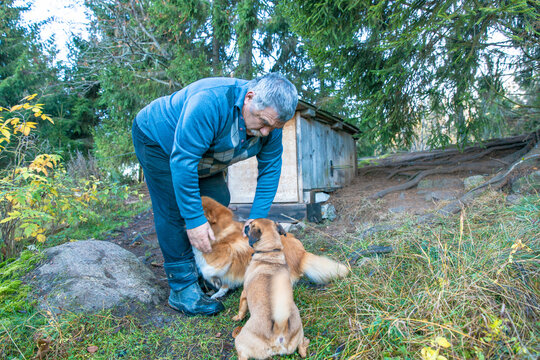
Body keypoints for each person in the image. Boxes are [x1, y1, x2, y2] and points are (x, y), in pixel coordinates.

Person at [131, 73, 298, 316]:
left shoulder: (270, 123)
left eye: (273, 127)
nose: (264, 132)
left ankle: (202, 271)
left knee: (218, 200)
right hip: (159, 142)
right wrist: (195, 221)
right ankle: (181, 286)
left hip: (202, 153)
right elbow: (184, 162)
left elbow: (271, 168)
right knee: (176, 210)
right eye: (262, 122)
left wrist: (257, 218)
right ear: (249, 98)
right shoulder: (210, 102)